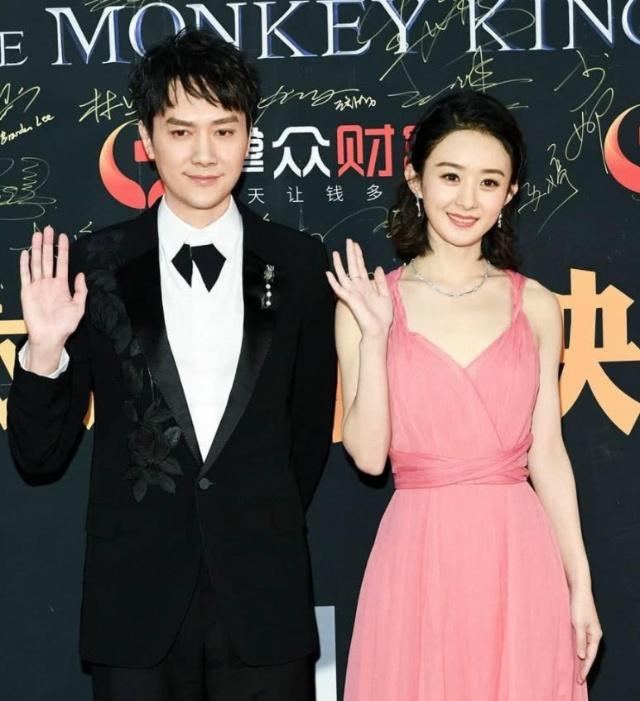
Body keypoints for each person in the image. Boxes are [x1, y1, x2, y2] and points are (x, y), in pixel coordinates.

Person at [8, 28, 336, 701]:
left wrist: (250, 513)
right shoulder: (93, 266)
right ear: (147, 140)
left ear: (249, 137)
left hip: (263, 599)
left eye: (224, 130)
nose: (204, 154)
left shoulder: (301, 264)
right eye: (181, 131)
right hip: (135, 604)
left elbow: (306, 436)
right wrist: (44, 351)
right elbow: (38, 457)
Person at [327, 91, 602, 700]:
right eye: (451, 176)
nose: (467, 199)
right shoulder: (369, 304)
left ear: (510, 194)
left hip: (519, 554)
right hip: (418, 554)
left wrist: (579, 584)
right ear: (415, 179)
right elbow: (368, 457)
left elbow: (548, 455)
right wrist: (375, 336)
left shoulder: (536, 305)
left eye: (489, 182)